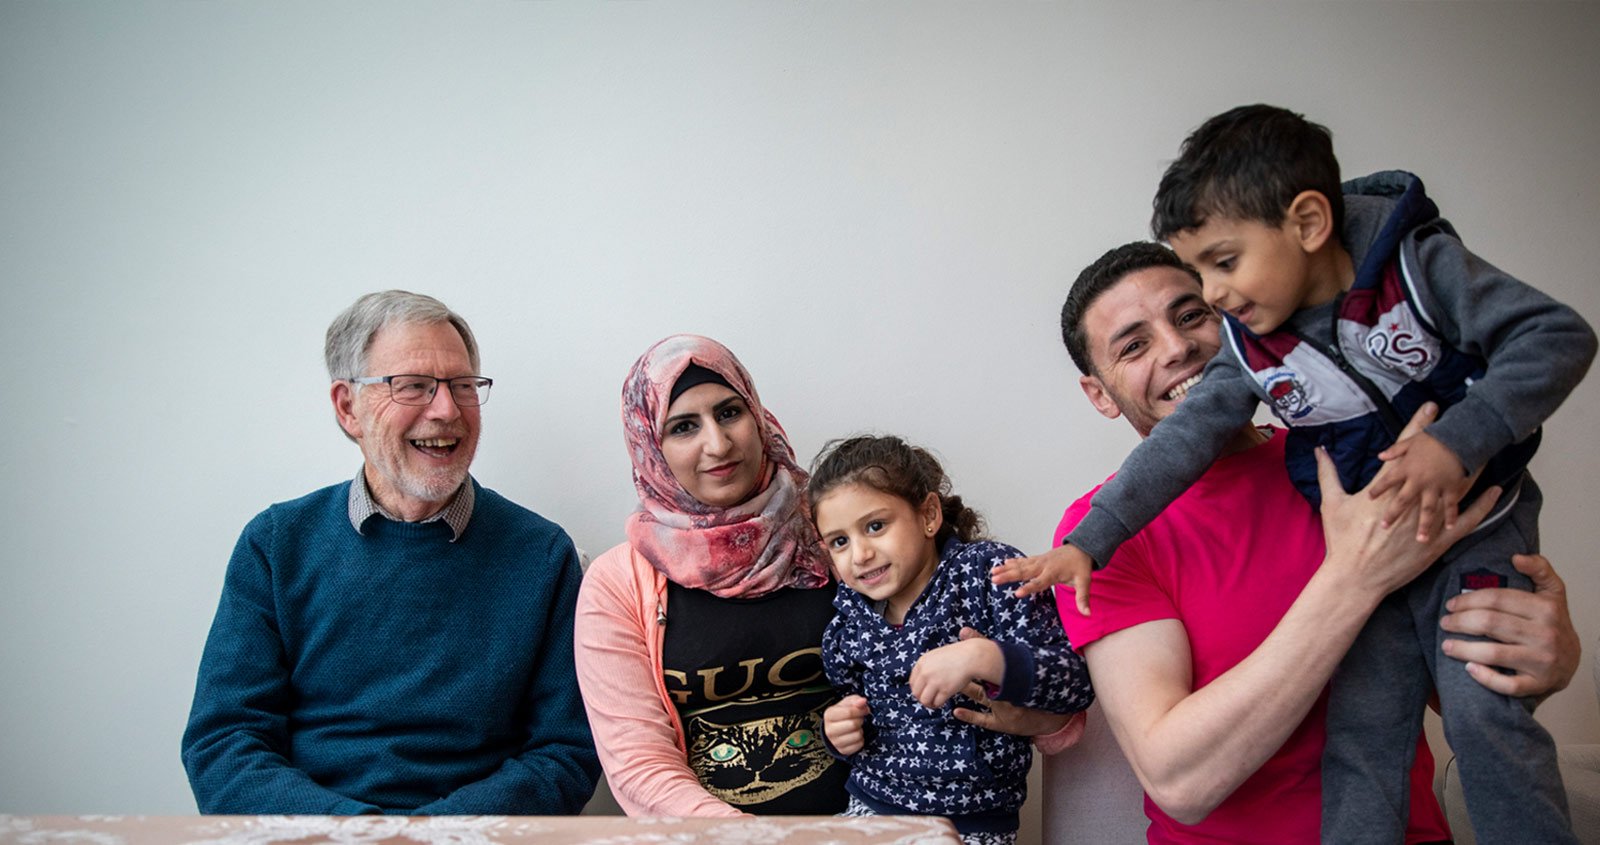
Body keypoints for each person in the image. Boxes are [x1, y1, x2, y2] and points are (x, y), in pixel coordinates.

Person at [997, 105, 1594, 842]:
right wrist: (1355, 577)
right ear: (1100, 393)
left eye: (1194, 310)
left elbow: (1452, 683)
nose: (1181, 346)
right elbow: (1180, 778)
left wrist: (1543, 655)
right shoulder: (1103, 537)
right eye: (1133, 345)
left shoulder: (1352, 457)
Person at [181, 291, 598, 815]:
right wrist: (356, 834)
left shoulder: (541, 555)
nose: (446, 410)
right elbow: (223, 743)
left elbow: (566, 753)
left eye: (462, 386)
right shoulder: (276, 544)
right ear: (347, 406)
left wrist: (431, 835)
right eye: (413, 387)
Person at [574, 334, 850, 816]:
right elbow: (640, 767)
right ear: (649, 448)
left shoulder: (833, 534)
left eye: (729, 413)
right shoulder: (617, 582)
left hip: (865, 825)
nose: (718, 444)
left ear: (757, 416)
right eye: (683, 427)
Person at [812, 435, 1094, 845]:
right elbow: (848, 706)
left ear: (928, 515)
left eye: (875, 526)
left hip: (971, 825)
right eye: (840, 541)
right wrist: (837, 733)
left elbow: (1075, 683)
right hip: (870, 809)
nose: (860, 554)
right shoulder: (848, 617)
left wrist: (986, 656)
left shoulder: (991, 575)